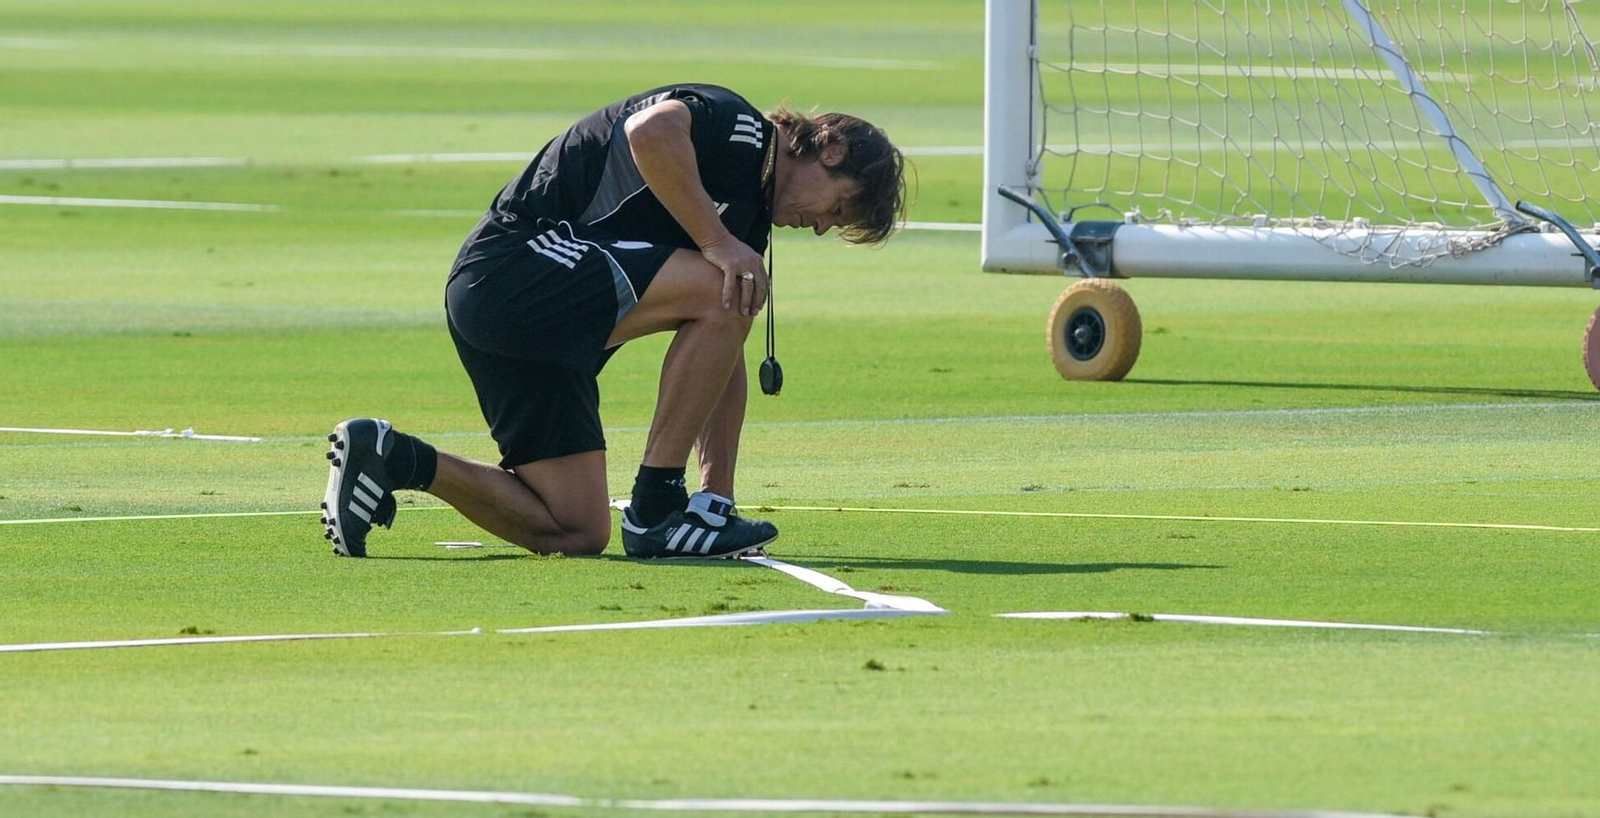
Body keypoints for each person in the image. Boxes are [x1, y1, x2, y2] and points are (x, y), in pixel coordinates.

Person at [320, 83, 905, 560]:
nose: (826, 226)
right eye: (841, 206)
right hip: (512, 272)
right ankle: (655, 507)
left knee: (574, 530)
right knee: (728, 287)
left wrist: (717, 499)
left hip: (523, 321)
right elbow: (649, 131)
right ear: (829, 153)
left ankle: (391, 456)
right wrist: (716, 241)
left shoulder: (747, 218)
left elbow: (722, 353)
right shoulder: (741, 126)